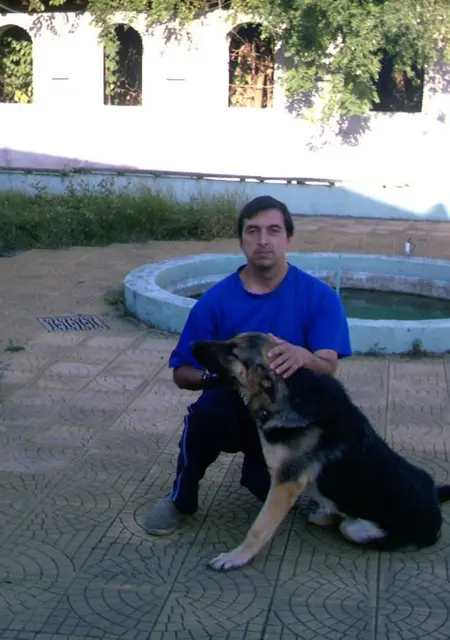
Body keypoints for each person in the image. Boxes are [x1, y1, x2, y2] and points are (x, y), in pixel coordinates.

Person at [145, 195, 352, 535]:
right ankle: (179, 499)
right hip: (236, 405)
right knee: (204, 416)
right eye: (253, 231)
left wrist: (304, 357)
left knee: (268, 479)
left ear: (288, 239)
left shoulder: (319, 297)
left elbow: (329, 365)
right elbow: (181, 373)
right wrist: (221, 378)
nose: (263, 240)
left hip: (289, 415)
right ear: (241, 241)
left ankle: (306, 483)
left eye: (273, 230)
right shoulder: (215, 301)